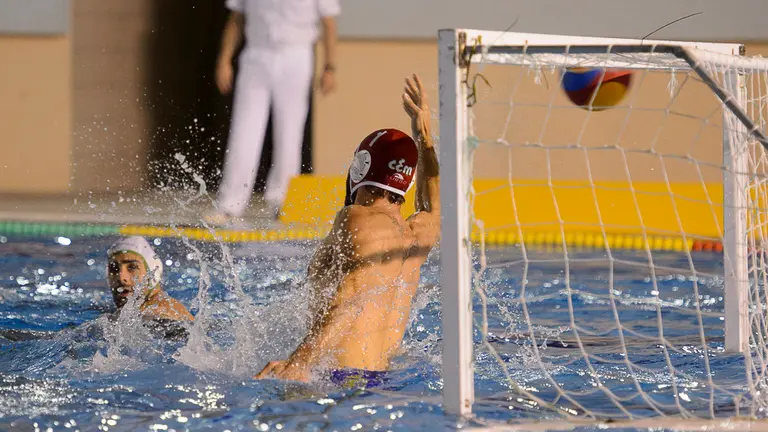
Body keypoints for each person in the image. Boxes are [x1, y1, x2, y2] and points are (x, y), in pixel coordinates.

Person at [255, 74, 439, 388]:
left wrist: (300, 361)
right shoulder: (419, 232)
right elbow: (434, 198)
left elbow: (354, 294)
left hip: (338, 383)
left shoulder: (358, 218)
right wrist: (424, 138)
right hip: (382, 384)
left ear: (360, 167)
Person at [205, 0, 341, 226]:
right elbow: (236, 18)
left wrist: (330, 67)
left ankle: (283, 203)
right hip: (256, 54)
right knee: (243, 132)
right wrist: (224, 60)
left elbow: (329, 22)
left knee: (289, 133)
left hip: (295, 55)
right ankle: (229, 204)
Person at [107, 236, 193, 323]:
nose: (121, 278)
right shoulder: (136, 313)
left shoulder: (161, 314)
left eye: (132, 267)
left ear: (152, 272)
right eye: (114, 269)